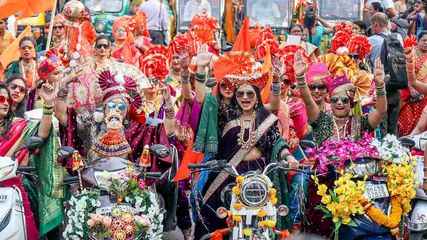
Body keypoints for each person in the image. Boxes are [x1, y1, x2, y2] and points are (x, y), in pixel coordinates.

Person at [0, 79, 59, 240]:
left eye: (7, 100)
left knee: (28, 190)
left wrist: (47, 103)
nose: (5, 103)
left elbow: (42, 134)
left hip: (12, 183)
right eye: (1, 99)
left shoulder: (18, 126)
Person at [295, 49, 387, 145]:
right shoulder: (323, 121)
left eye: (344, 100)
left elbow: (381, 111)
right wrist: (300, 77)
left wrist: (380, 85)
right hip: (326, 160)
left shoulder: (360, 122)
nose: (339, 103)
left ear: (351, 103)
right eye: (334, 100)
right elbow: (308, 101)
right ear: (330, 101)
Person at [368, 12, 403, 137]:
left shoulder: (371, 40)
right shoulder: (397, 37)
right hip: (397, 84)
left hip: (379, 86)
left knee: (381, 121)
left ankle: (383, 153)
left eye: (372, 25)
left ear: (376, 24)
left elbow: (365, 62)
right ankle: (394, 149)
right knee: (393, 126)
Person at [403, 31, 427, 135]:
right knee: (406, 120)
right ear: (417, 41)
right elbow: (404, 72)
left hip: (424, 92)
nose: (426, 43)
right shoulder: (410, 52)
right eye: (424, 40)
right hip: (409, 89)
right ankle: (405, 141)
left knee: (421, 120)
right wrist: (411, 87)